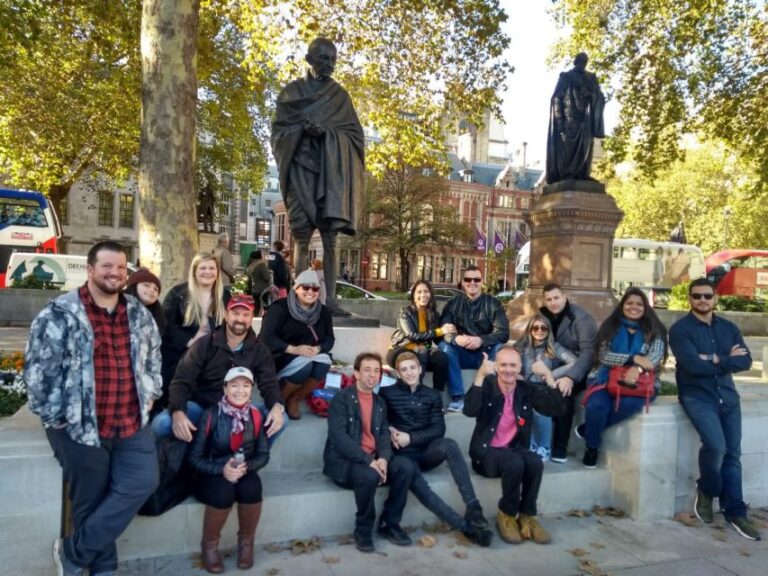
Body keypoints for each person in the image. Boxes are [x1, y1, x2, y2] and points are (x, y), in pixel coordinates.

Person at [24, 241, 162, 576]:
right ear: (90, 270)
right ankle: (103, 569)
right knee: (90, 500)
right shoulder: (59, 314)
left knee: (143, 481)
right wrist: (57, 419)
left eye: (120, 267)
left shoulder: (138, 314)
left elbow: (154, 358)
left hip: (130, 422)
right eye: (106, 266)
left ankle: (72, 552)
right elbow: (39, 372)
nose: (114, 273)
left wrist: (151, 392)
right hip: (79, 426)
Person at [271, 37, 365, 314]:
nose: (329, 65)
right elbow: (277, 134)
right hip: (300, 171)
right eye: (324, 59)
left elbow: (355, 136)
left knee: (330, 239)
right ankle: (300, 297)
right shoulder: (291, 94)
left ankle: (331, 300)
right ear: (309, 59)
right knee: (300, 236)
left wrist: (327, 133)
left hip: (329, 177)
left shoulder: (340, 97)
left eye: (333, 60)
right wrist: (301, 130)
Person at [669, 279, 761, 541]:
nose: (702, 300)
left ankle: (735, 512)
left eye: (706, 296)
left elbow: (745, 361)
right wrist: (725, 359)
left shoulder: (728, 327)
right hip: (697, 397)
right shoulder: (680, 329)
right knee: (716, 447)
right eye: (696, 296)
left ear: (715, 298)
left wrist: (712, 357)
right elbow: (691, 366)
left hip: (728, 398)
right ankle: (707, 489)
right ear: (689, 299)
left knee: (733, 455)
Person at [380, 352, 493, 546]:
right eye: (404, 370)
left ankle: (473, 507)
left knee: (449, 444)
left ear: (420, 369)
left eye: (412, 368)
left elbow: (438, 429)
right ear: (398, 374)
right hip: (402, 458)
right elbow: (379, 420)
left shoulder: (432, 395)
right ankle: (465, 528)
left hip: (425, 453)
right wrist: (390, 428)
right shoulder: (387, 393)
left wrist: (411, 437)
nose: (409, 373)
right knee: (423, 488)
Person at [463, 345, 566, 545]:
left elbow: (557, 409)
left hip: (514, 450)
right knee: (515, 463)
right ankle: (507, 515)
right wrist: (479, 376)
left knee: (535, 461)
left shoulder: (525, 389)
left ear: (520, 367)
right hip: (486, 454)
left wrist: (548, 376)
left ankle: (527, 516)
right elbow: (469, 410)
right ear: (496, 367)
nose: (508, 370)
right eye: (503, 365)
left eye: (513, 365)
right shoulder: (487, 385)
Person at [155, 294, 285, 443]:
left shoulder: (259, 350)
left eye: (246, 315)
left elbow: (269, 384)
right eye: (235, 313)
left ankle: (248, 461)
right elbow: (181, 381)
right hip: (203, 408)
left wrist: (276, 405)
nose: (240, 319)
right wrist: (178, 410)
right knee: (162, 423)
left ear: (252, 318)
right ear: (225, 315)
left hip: (240, 410)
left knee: (281, 418)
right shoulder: (205, 344)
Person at [323, 352, 415, 553]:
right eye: (367, 370)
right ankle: (363, 530)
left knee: (406, 467)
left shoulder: (379, 402)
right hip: (345, 463)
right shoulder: (341, 399)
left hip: (373, 460)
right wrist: (368, 461)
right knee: (368, 475)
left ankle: (389, 523)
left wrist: (383, 458)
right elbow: (340, 439)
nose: (373, 375)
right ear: (356, 373)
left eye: (377, 371)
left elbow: (383, 434)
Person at [188, 366, 269, 573]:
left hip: (241, 468)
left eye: (245, 386)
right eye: (234, 385)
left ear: (252, 389)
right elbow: (194, 458)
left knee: (252, 488)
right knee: (223, 491)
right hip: (210, 472)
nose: (240, 391)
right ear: (225, 388)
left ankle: (246, 545)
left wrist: (246, 467)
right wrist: (221, 469)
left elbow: (263, 454)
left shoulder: (256, 415)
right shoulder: (211, 415)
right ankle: (209, 548)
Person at [577, 288, 668, 468]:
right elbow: (604, 355)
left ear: (645, 307)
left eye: (639, 304)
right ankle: (592, 448)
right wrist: (632, 358)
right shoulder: (610, 327)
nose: (634, 307)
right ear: (622, 305)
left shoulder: (655, 329)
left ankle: (588, 431)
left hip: (642, 382)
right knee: (596, 406)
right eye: (629, 303)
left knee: (630, 404)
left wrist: (637, 369)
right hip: (605, 377)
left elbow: (655, 356)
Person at [260, 269, 334, 420]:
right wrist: (293, 349)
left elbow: (329, 339)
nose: (310, 292)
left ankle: (295, 398)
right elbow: (266, 337)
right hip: (281, 355)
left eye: (315, 288)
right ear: (296, 288)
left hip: (309, 354)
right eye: (305, 287)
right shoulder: (279, 308)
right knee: (305, 367)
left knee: (322, 364)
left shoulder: (323, 312)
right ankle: (279, 400)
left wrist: (318, 348)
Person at [160, 253, 228, 412]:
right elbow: (166, 325)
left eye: (212, 268)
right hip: (182, 352)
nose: (208, 272)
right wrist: (189, 341)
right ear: (194, 271)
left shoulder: (224, 295)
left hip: (213, 353)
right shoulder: (178, 293)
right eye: (203, 268)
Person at [438, 265, 510, 412]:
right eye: (468, 279)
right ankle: (458, 397)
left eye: (476, 279)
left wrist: (481, 340)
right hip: (461, 354)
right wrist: (456, 339)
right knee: (443, 346)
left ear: (482, 281)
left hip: (485, 354)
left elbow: (503, 333)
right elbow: (444, 329)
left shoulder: (493, 304)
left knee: (499, 348)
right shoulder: (452, 304)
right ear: (463, 282)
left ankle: (491, 396)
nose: (472, 282)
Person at [539, 283, 598, 463]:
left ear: (564, 297)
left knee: (563, 392)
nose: (553, 302)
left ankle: (560, 448)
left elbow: (589, 354)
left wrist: (571, 377)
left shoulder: (581, 318)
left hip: (580, 367)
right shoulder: (543, 315)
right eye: (549, 299)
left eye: (556, 298)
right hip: (554, 364)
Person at [517, 314, 576, 462]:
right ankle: (531, 446)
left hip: (544, 387)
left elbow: (574, 362)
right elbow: (510, 362)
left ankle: (544, 447)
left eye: (544, 328)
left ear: (549, 330)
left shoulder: (554, 347)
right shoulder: (521, 346)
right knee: (524, 409)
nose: (539, 331)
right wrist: (517, 375)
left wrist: (550, 373)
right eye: (535, 327)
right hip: (524, 386)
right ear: (530, 329)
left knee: (542, 409)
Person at [546, 52, 605, 183]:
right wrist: (559, 120)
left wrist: (591, 94)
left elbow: (599, 96)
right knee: (568, 149)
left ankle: (583, 173)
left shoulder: (591, 78)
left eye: (585, 61)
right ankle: (567, 174)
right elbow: (557, 98)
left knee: (586, 146)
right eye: (581, 61)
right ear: (576, 62)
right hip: (569, 119)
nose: (583, 63)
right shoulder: (566, 77)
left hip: (586, 119)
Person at [388, 280, 453, 392]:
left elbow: (436, 340)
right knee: (421, 354)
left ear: (431, 295)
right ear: (414, 295)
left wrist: (449, 330)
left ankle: (437, 395)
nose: (423, 295)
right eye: (419, 292)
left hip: (422, 350)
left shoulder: (433, 314)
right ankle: (417, 393)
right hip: (401, 350)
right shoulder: (405, 312)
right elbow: (412, 336)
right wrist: (439, 331)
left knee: (441, 358)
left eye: (426, 291)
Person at [124, 267, 165, 334]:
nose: (152, 290)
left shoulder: (158, 316)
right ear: (133, 286)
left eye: (156, 289)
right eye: (146, 285)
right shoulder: (118, 307)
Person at [245, 251, 271, 316]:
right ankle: (266, 319)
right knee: (265, 306)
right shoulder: (261, 265)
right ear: (259, 257)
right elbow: (267, 277)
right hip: (263, 289)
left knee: (256, 306)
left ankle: (254, 318)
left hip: (254, 289)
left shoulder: (251, 265)